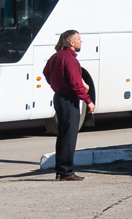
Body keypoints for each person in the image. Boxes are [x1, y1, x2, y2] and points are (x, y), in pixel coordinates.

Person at [43, 30, 95, 181]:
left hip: (59, 97)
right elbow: (75, 83)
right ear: (71, 43)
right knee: (69, 136)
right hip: (68, 100)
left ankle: (61, 170)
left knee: (63, 135)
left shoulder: (56, 57)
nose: (81, 41)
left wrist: (56, 84)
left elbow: (46, 72)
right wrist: (88, 101)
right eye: (79, 39)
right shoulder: (70, 59)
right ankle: (66, 172)